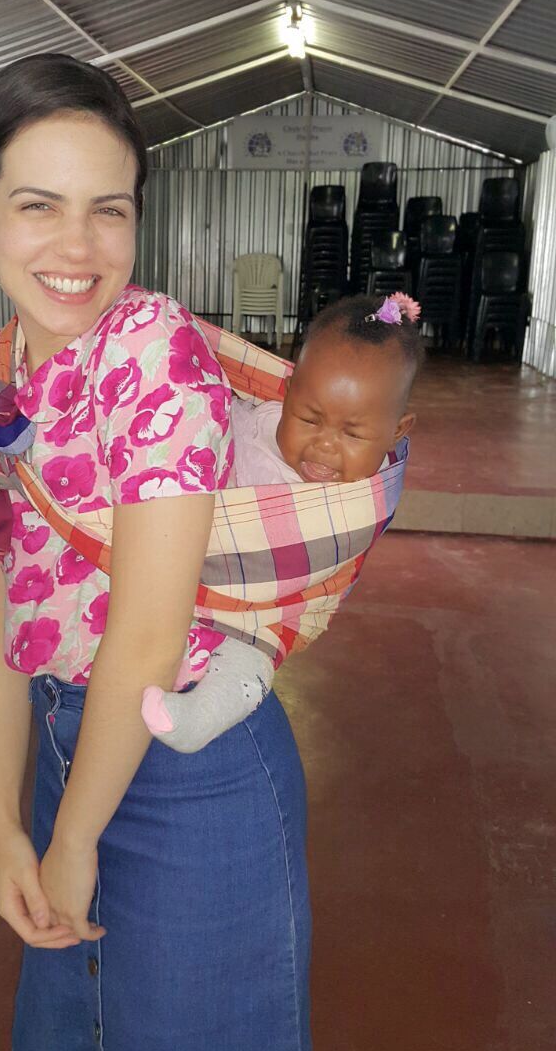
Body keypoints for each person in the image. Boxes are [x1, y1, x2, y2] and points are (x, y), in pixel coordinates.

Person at [0, 54, 313, 1051]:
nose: (77, 247)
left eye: (109, 209)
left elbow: (147, 635)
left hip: (190, 770)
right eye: (37, 205)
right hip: (68, 749)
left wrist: (68, 838)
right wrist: (7, 822)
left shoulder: (153, 351)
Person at [142, 292, 423, 753]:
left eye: (353, 433)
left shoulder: (350, 507)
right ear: (288, 391)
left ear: (397, 430)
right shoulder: (253, 420)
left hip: (263, 613)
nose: (325, 447)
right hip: (183, 551)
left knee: (251, 658)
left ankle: (199, 717)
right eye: (309, 418)